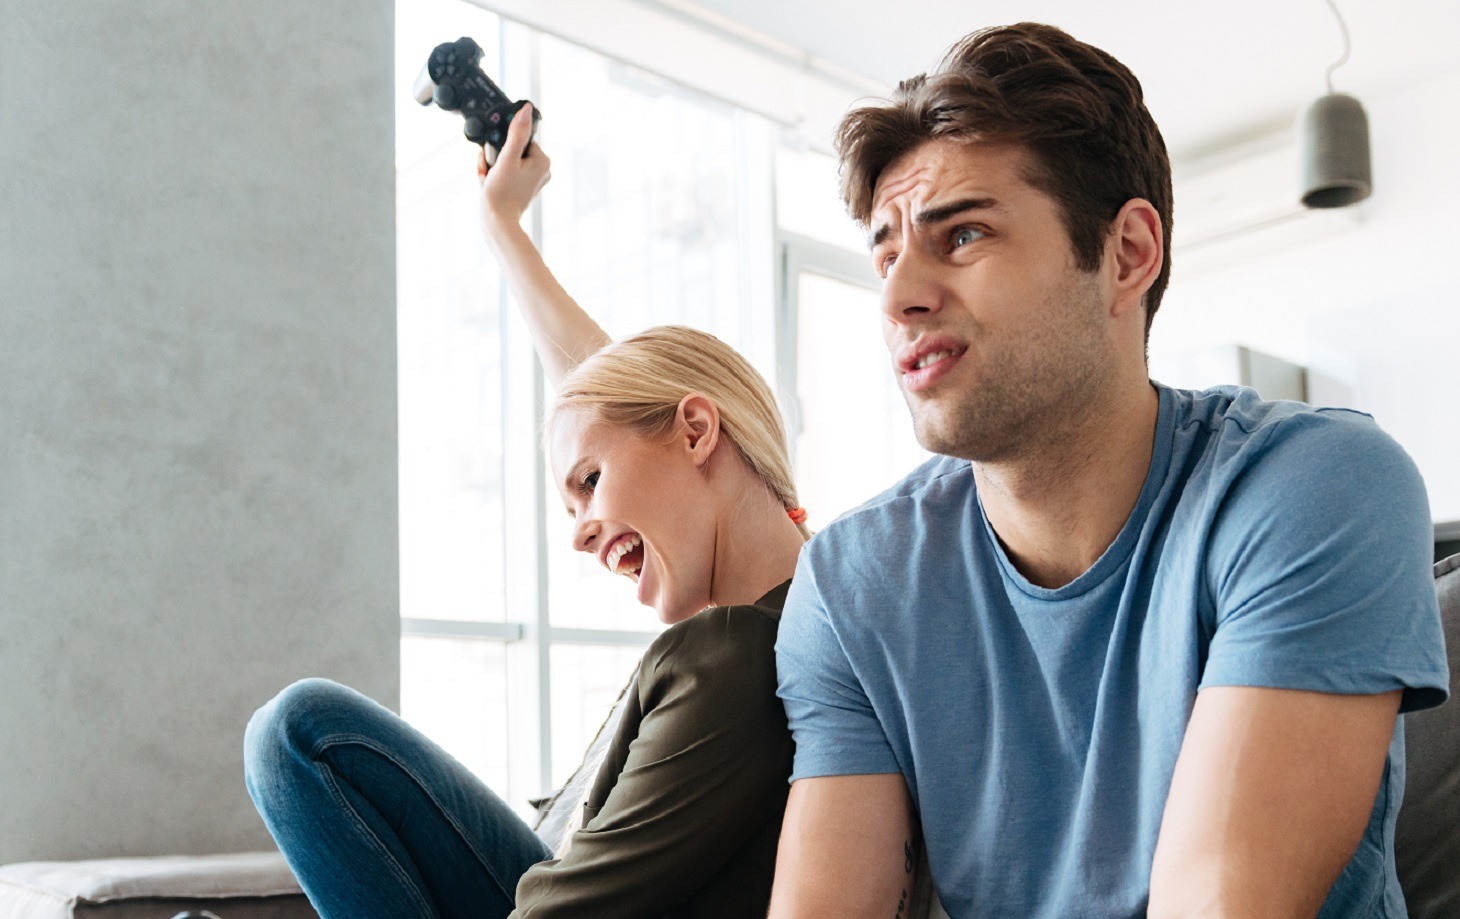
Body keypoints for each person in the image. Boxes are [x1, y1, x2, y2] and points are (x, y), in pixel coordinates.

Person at [769, 23, 1449, 919]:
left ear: (1127, 254)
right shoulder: (850, 583)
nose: (898, 296)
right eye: (886, 255)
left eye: (963, 234)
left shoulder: (1317, 487)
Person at [244, 104, 809, 918]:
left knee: (299, 733)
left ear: (696, 431)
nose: (578, 533)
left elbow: (624, 408)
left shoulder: (730, 654)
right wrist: (503, 228)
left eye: (589, 483)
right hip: (559, 863)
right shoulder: (772, 606)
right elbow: (614, 400)